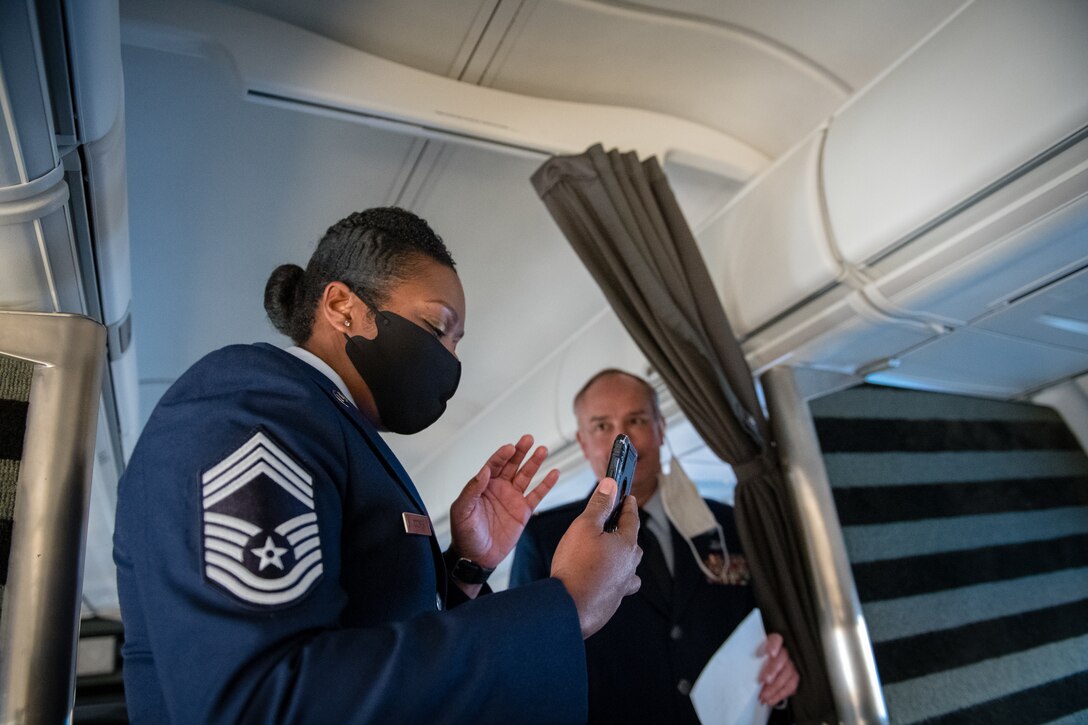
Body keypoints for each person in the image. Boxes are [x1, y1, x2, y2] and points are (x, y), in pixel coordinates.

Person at [113, 208, 643, 722]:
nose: (451, 360)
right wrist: (565, 607)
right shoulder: (249, 405)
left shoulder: (332, 424)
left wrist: (464, 569)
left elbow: (370, 629)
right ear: (342, 306)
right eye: (437, 327)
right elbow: (264, 699)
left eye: (457, 343)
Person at [511, 369, 800, 724]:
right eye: (602, 426)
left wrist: (783, 663)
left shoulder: (728, 523)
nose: (623, 439)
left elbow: (769, 623)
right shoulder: (546, 537)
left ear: (661, 428)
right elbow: (528, 663)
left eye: (637, 420)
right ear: (583, 443)